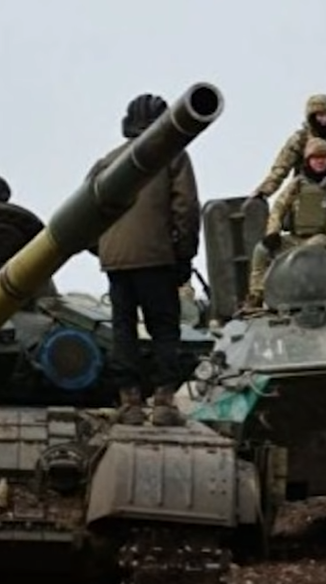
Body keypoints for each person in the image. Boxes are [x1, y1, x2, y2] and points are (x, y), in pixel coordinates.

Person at [88, 93, 201, 426]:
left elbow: (85, 212)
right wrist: (184, 255)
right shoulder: (173, 156)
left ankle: (130, 403)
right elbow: (186, 209)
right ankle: (164, 402)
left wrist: (103, 249)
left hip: (116, 261)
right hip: (156, 257)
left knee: (123, 331)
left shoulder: (107, 161)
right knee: (164, 329)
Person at [244, 137, 326, 308]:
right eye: (315, 158)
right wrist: (273, 232)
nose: (320, 162)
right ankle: (256, 296)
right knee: (261, 250)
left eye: (324, 157)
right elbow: (279, 207)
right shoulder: (298, 183)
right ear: (308, 160)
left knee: (309, 251)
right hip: (298, 238)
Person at [250, 94, 326, 211]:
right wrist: (263, 192)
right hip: (307, 200)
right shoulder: (300, 140)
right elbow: (280, 169)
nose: (325, 120)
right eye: (320, 115)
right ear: (311, 116)